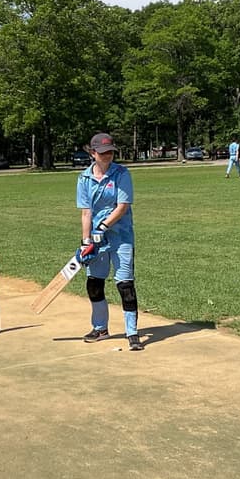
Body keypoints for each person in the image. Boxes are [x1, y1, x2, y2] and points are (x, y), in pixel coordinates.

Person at [76, 132, 143, 351]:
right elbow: (86, 212)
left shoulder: (121, 173)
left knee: (125, 284)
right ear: (93, 153)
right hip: (96, 239)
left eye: (111, 152)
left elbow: (122, 206)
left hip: (121, 236)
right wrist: (86, 241)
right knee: (94, 283)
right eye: (103, 153)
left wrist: (103, 227)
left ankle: (132, 333)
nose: (108, 156)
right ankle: (100, 328)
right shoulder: (84, 178)